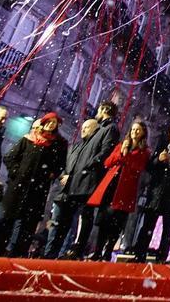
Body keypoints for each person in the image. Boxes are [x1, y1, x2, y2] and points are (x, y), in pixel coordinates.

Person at [0, 112, 67, 257]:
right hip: (18, 187)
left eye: (55, 122)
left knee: (28, 224)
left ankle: (18, 254)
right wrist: (17, 173)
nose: (52, 125)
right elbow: (10, 157)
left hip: (37, 189)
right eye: (50, 121)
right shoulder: (28, 139)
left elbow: (59, 164)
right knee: (7, 220)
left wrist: (51, 174)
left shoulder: (59, 143)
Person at [86, 120, 151, 261]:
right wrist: (121, 153)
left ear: (143, 133)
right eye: (133, 129)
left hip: (125, 190)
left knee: (116, 222)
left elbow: (137, 166)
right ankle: (97, 250)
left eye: (138, 130)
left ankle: (108, 251)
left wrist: (126, 156)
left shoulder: (144, 151)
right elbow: (108, 162)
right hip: (111, 185)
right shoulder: (121, 145)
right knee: (103, 220)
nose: (134, 132)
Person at [63, 101, 120, 258]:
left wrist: (89, 165)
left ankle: (78, 247)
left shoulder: (110, 128)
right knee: (76, 214)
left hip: (89, 179)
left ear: (104, 110)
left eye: (100, 109)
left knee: (85, 215)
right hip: (81, 177)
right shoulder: (100, 127)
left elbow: (105, 151)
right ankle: (71, 246)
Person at [132, 121, 170, 263]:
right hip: (156, 192)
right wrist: (158, 160)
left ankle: (161, 256)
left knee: (167, 227)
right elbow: (149, 166)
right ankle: (139, 254)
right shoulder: (163, 145)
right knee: (147, 225)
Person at [44, 118, 99, 258]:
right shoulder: (74, 147)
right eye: (83, 126)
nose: (83, 129)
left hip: (76, 191)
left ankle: (59, 253)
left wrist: (72, 178)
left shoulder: (92, 149)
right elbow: (65, 164)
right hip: (63, 192)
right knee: (56, 226)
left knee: (68, 227)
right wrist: (64, 176)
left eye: (87, 127)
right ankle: (49, 254)